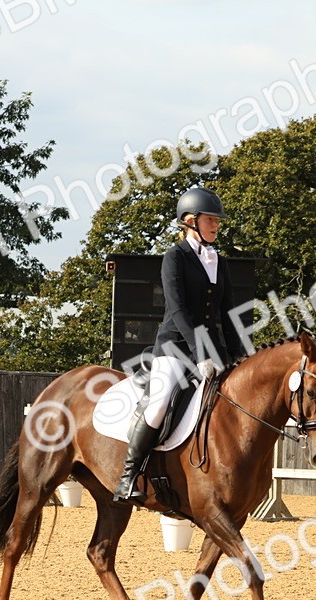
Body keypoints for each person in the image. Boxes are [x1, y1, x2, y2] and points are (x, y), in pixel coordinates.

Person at [113, 186, 248, 503]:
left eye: (217, 220)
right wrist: (199, 353)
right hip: (174, 347)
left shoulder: (219, 262)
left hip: (212, 351)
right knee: (159, 403)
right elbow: (178, 309)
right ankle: (128, 477)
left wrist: (240, 356)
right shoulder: (175, 258)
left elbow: (227, 314)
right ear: (190, 221)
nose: (216, 225)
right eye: (210, 219)